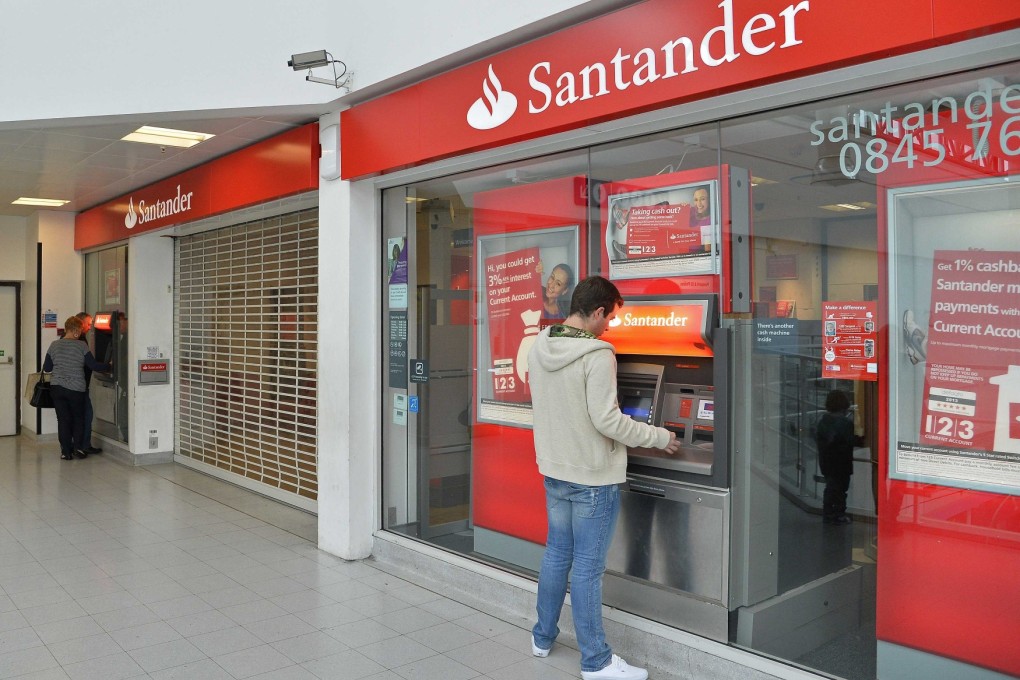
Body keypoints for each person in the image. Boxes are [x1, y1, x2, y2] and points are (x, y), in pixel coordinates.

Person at [529, 276, 680, 680]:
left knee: (556, 555)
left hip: (555, 472)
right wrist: (659, 437)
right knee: (587, 569)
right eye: (609, 317)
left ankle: (542, 637)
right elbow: (608, 421)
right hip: (592, 480)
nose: (609, 326)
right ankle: (596, 661)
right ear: (597, 312)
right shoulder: (597, 355)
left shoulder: (541, 344)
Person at [44, 316, 111, 460]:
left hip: (57, 389)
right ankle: (78, 449)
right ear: (75, 330)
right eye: (80, 330)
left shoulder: (54, 345)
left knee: (63, 420)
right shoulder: (81, 346)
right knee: (78, 419)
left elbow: (47, 368)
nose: (80, 333)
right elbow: (93, 365)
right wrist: (109, 365)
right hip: (76, 389)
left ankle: (65, 452)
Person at [815, 390, 863, 525]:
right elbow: (852, 441)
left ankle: (829, 514)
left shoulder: (823, 421)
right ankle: (839, 514)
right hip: (842, 463)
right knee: (841, 490)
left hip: (827, 462)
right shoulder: (845, 423)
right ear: (844, 405)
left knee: (830, 488)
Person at [75, 312, 102, 454]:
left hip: (76, 385)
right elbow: (90, 363)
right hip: (79, 386)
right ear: (80, 323)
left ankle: (78, 446)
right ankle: (82, 446)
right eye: (88, 323)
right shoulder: (79, 341)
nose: (90, 326)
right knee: (86, 415)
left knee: (79, 416)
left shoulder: (74, 338)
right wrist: (106, 365)